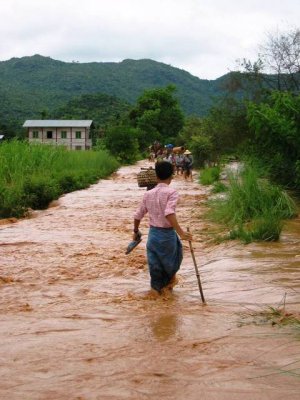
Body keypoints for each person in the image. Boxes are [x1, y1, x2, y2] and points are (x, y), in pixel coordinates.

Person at [132, 161, 192, 294]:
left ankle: (156, 303)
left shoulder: (148, 194)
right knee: (169, 271)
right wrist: (181, 233)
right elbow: (169, 212)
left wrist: (136, 231)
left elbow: (137, 215)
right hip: (167, 238)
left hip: (153, 237)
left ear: (156, 176)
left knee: (155, 271)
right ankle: (168, 304)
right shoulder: (172, 193)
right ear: (171, 176)